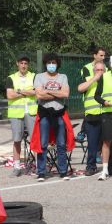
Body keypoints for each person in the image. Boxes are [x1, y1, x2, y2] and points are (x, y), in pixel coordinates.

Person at [33, 53, 71, 181]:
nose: (51, 65)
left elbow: (65, 94)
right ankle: (41, 172)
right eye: (49, 63)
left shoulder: (63, 77)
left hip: (59, 113)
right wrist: (57, 93)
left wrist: (47, 91)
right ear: (45, 64)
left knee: (61, 143)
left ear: (57, 64)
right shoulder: (39, 77)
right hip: (44, 112)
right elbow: (39, 95)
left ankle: (63, 171)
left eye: (53, 63)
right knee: (43, 143)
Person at [6, 54, 37, 177]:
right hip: (16, 113)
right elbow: (9, 95)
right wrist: (27, 92)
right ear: (17, 64)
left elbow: (36, 92)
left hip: (31, 111)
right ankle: (17, 167)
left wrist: (18, 91)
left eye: (26, 63)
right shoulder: (11, 78)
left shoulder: (34, 76)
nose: (23, 65)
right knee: (17, 140)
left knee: (34, 139)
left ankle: (38, 166)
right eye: (21, 63)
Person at [76, 59, 106, 176]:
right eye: (97, 70)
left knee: (107, 143)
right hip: (92, 116)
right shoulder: (89, 79)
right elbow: (80, 88)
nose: (99, 72)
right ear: (93, 71)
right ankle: (91, 166)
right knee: (92, 143)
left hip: (106, 115)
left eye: (101, 70)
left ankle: (108, 166)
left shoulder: (108, 80)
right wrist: (94, 79)